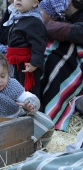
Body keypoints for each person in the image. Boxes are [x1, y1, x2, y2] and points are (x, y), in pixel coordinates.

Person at [0, 50, 54, 147]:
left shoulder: (12, 85)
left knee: (45, 121)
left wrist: (30, 104)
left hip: (15, 123)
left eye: (3, 76)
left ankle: (36, 147)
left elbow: (27, 96)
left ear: (7, 73)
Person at [39, 0, 83, 131]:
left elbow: (78, 32)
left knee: (56, 65)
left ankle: (50, 114)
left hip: (76, 58)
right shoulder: (63, 15)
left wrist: (43, 25)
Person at [4, 0, 47, 99]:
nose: (18, 0)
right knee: (18, 89)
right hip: (17, 62)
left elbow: (39, 44)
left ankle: (34, 111)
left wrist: (35, 63)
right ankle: (21, 111)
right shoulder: (18, 17)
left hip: (27, 64)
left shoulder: (34, 21)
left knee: (30, 91)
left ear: (35, 3)